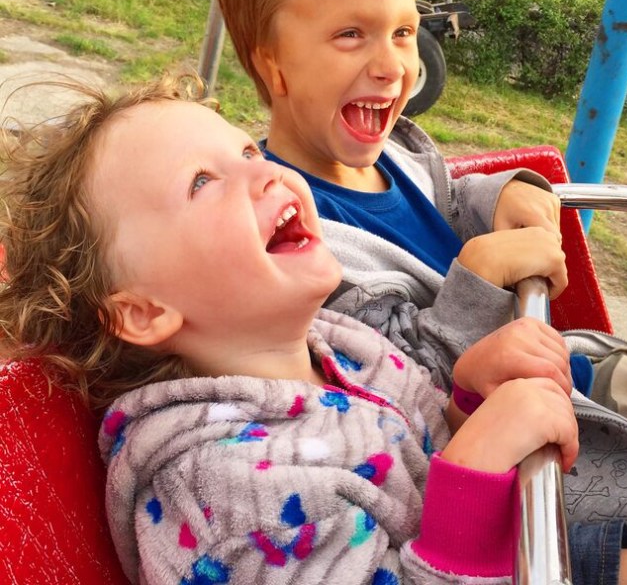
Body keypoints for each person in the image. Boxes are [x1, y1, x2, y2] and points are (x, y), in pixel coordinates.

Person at [212, 0, 627, 579]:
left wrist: (507, 190)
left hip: (570, 371)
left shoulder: (390, 157)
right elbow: (401, 386)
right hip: (516, 453)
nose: (393, 66)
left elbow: (446, 193)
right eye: (352, 35)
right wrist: (473, 279)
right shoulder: (296, 237)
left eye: (405, 33)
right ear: (273, 66)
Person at [0, 77, 582, 584]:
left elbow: (416, 457)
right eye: (202, 182)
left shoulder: (334, 343)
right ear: (145, 312)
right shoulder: (231, 500)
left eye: (250, 151)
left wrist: (463, 404)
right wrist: (474, 473)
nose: (267, 173)